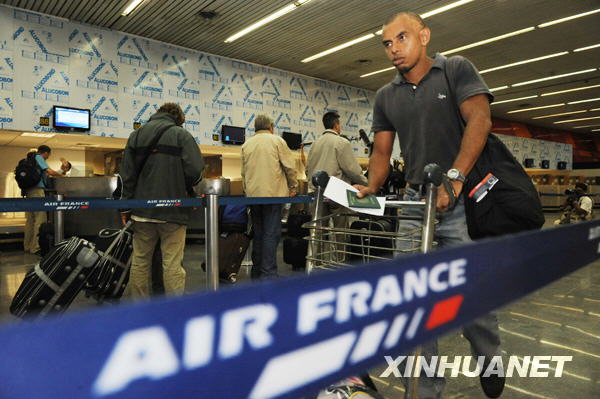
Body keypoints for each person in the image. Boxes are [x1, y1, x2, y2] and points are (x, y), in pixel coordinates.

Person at [356, 12, 503, 399]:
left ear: (424, 35)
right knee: (410, 301)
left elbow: (480, 121)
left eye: (401, 38)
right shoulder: (386, 95)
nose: (393, 49)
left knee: (471, 291)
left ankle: (489, 356)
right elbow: (382, 150)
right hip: (412, 203)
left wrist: (454, 178)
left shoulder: (455, 70)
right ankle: (424, 391)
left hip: (461, 198)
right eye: (387, 43)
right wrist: (369, 185)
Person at [120, 103, 204, 298]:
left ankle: (138, 308)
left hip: (141, 211)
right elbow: (196, 171)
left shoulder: (137, 135)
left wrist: (125, 207)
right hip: (174, 211)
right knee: (172, 262)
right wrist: (185, 186)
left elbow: (126, 176)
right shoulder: (181, 135)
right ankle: (173, 309)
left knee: (140, 261)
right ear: (178, 118)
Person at [241, 114, 298, 279]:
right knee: (271, 234)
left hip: (253, 196)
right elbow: (290, 167)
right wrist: (293, 187)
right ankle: (269, 272)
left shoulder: (246, 144)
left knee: (258, 233)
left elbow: (243, 173)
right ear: (270, 127)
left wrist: (247, 192)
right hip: (273, 195)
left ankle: (257, 271)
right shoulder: (276, 141)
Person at [306, 111, 368, 261]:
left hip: (317, 193)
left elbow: (308, 169)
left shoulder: (315, 143)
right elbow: (352, 169)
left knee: (317, 232)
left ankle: (316, 263)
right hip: (336, 194)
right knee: (340, 232)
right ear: (336, 125)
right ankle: (338, 264)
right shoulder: (341, 142)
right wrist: (369, 183)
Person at [23, 145, 70, 255]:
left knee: (31, 219)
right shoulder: (38, 157)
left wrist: (61, 171)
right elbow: (49, 171)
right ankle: (36, 247)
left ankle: (27, 246)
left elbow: (47, 175)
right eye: (48, 155)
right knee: (40, 218)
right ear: (46, 153)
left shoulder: (30, 159)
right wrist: (63, 176)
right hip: (37, 191)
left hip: (29, 191)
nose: (47, 158)